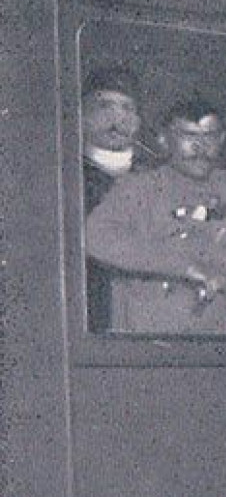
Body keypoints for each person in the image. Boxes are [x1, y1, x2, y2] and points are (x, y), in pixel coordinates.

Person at [84, 95, 226, 334]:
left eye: (209, 136)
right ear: (164, 139)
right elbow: (96, 239)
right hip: (146, 342)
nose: (200, 147)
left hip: (223, 343)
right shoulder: (135, 188)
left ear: (222, 139)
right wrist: (183, 266)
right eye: (188, 136)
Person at [81, 65, 147, 332]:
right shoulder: (63, 176)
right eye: (105, 106)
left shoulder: (160, 178)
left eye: (127, 108)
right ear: (82, 113)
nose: (117, 117)